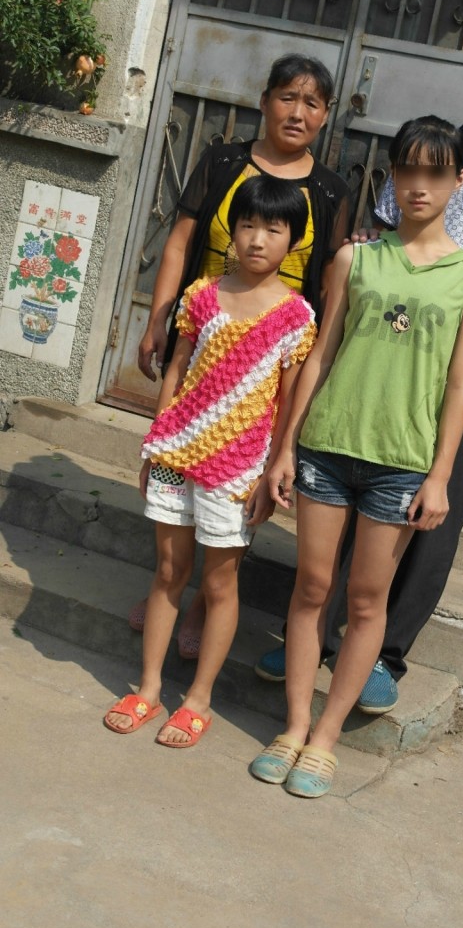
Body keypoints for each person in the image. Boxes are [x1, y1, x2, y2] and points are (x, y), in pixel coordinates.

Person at [254, 17, 463, 713]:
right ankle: (314, 637)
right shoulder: (426, 151)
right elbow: (377, 242)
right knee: (348, 501)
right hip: (384, 365)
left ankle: (384, 655)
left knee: (428, 521)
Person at [249, 117, 463, 795]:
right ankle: (294, 726)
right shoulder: (355, 259)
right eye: (407, 170)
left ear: (457, 180)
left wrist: (440, 477)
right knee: (311, 589)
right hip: (327, 448)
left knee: (365, 601)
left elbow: (459, 385)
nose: (419, 186)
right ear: (391, 175)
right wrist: (285, 448)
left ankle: (326, 738)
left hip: (401, 463)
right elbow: (320, 355)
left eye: (435, 173)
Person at [129, 53, 350, 655]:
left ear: (326, 115)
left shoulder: (331, 190)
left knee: (241, 472)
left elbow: (331, 279)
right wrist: (158, 318)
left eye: (311, 103)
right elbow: (179, 243)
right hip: (205, 328)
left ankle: (205, 602)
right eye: (287, 98)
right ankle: (169, 585)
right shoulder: (223, 161)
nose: (297, 112)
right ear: (265, 100)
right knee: (182, 456)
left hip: (273, 354)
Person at [104, 176, 317, 746]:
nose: (257, 239)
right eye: (247, 225)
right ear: (232, 231)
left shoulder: (296, 317)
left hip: (239, 471)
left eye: (273, 229)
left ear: (294, 240)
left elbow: (289, 401)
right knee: (168, 572)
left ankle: (198, 700)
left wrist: (275, 468)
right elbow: (176, 369)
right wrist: (156, 442)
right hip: (176, 452)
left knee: (220, 585)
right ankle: (149, 688)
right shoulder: (201, 294)